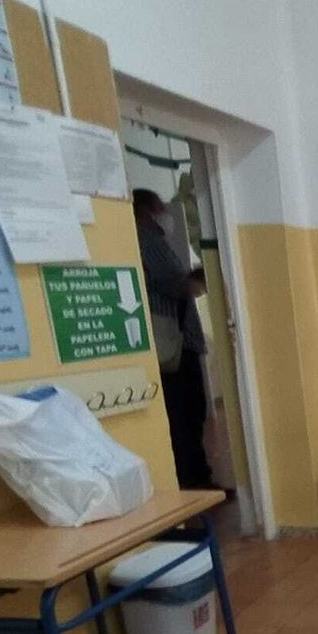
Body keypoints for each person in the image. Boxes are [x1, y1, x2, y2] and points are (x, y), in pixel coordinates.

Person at [133, 188, 214, 489]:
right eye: (160, 208)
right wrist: (200, 278)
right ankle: (194, 483)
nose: (165, 214)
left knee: (190, 413)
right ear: (145, 211)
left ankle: (196, 477)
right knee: (186, 413)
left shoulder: (152, 242)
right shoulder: (148, 242)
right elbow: (176, 285)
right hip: (173, 347)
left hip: (177, 344)